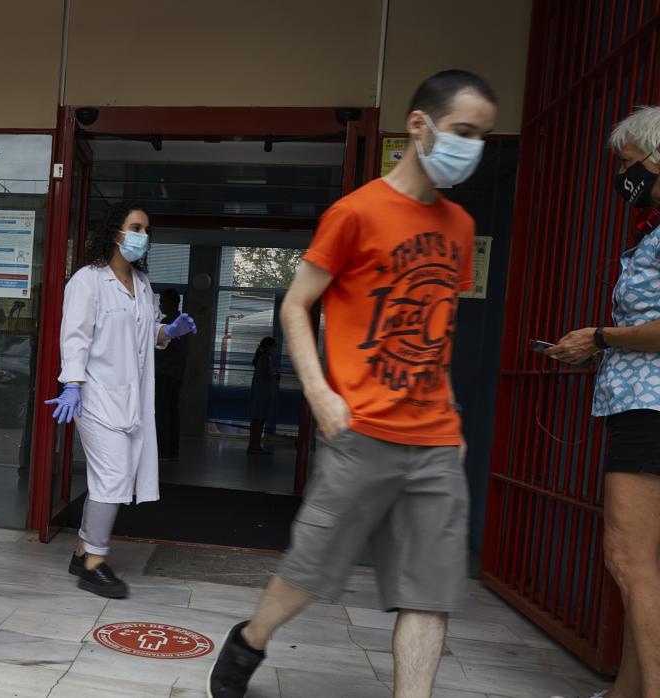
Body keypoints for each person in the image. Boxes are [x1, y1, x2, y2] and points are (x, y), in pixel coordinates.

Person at [208, 69, 496, 698]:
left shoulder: (461, 229)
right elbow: (295, 305)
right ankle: (251, 639)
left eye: (483, 137)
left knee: (430, 588)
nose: (473, 147)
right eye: (463, 132)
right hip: (362, 429)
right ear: (419, 125)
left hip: (436, 442)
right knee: (311, 571)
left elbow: (437, 334)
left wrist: (453, 418)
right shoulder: (356, 213)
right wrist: (318, 391)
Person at [546, 105, 660, 698]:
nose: (622, 176)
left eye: (626, 164)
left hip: (651, 410)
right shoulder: (653, 231)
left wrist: (602, 337)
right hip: (640, 401)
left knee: (628, 556)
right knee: (645, 565)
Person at [45, 203, 197, 599]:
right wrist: (72, 384)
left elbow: (144, 336)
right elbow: (75, 336)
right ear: (116, 231)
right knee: (111, 478)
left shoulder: (141, 283)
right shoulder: (87, 280)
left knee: (119, 476)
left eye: (146, 228)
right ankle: (94, 562)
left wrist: (169, 332)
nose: (141, 235)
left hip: (131, 399)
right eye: (135, 227)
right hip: (94, 395)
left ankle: (82, 549)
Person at [155, 287, 191, 459]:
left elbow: (160, 348)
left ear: (172, 302)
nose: (161, 305)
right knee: (171, 411)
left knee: (162, 411)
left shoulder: (170, 323)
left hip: (164, 372)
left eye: (162, 301)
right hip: (176, 372)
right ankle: (171, 449)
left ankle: (163, 449)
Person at [248, 337, 279, 455]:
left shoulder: (261, 358)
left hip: (259, 392)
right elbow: (267, 376)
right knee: (259, 420)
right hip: (262, 394)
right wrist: (275, 376)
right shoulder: (266, 358)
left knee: (256, 420)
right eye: (273, 347)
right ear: (268, 347)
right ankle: (255, 445)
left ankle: (253, 445)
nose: (274, 349)